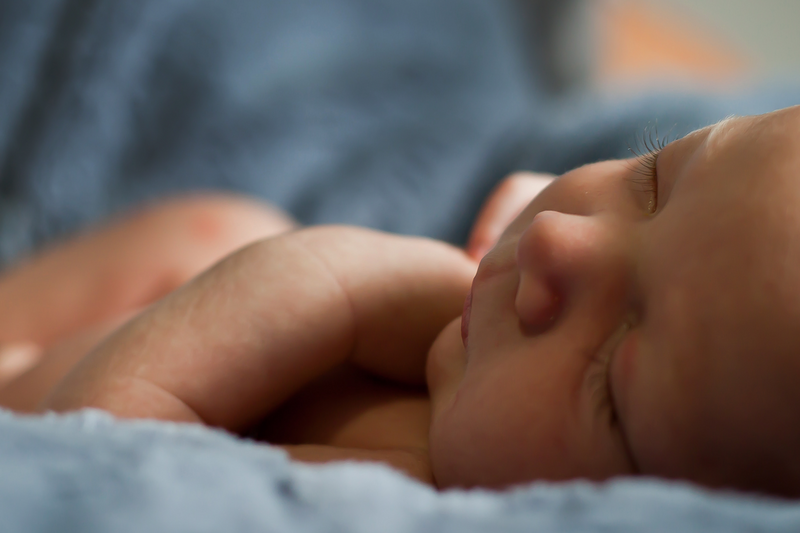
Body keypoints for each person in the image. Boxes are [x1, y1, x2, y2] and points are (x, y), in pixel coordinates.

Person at [3, 106, 800, 497]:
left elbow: (132, 481)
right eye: (653, 177)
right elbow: (309, 279)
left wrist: (75, 454)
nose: (561, 239)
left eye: (610, 390)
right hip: (38, 359)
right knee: (221, 228)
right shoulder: (447, 307)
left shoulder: (386, 494)